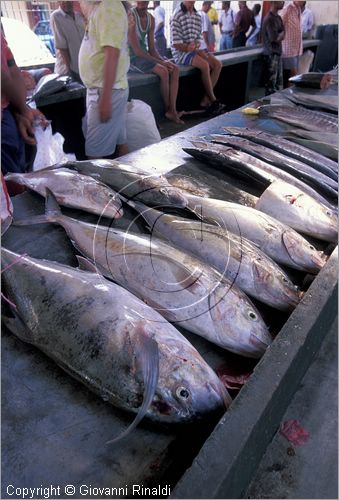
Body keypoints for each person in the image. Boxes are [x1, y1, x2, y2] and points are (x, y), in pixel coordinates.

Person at [79, 0, 130, 159]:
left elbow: (112, 54)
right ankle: (132, 181)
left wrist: (106, 99)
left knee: (95, 156)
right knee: (120, 144)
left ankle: (101, 183)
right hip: (106, 89)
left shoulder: (109, 6)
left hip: (106, 91)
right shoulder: (100, 6)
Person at [1, 31, 48, 175]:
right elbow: (3, 77)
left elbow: (11, 70)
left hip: (9, 112)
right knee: (12, 184)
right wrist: (23, 109)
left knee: (18, 177)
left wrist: (21, 111)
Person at [129, 1, 183, 124]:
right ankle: (167, 109)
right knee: (163, 71)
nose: (143, 2)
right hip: (131, 58)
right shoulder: (131, 17)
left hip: (144, 56)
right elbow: (137, 52)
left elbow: (152, 49)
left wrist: (164, 60)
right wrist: (161, 63)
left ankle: (172, 110)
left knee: (174, 68)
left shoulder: (151, 19)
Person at [171, 1, 222, 113]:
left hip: (194, 50)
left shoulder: (197, 16)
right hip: (181, 52)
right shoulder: (177, 15)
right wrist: (190, 48)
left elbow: (198, 39)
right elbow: (175, 43)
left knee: (217, 64)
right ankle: (213, 100)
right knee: (204, 65)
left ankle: (205, 99)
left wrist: (198, 47)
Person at [50, 1, 86, 82]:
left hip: (82, 69)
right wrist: (70, 71)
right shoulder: (56, 16)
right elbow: (61, 47)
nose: (65, 2)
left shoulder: (79, 16)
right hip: (67, 71)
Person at [262, 1, 285, 96]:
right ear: (274, 2)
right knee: (271, 85)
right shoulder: (269, 19)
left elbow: (283, 32)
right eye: (281, 1)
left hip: (278, 53)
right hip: (271, 55)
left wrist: (281, 34)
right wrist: (281, 34)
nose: (283, 3)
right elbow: (274, 38)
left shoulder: (278, 18)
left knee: (279, 84)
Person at [281, 1, 303, 86]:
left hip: (296, 48)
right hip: (288, 48)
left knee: (292, 76)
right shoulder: (288, 8)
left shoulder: (298, 9)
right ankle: (287, 95)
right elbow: (279, 23)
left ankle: (289, 93)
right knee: (292, 74)